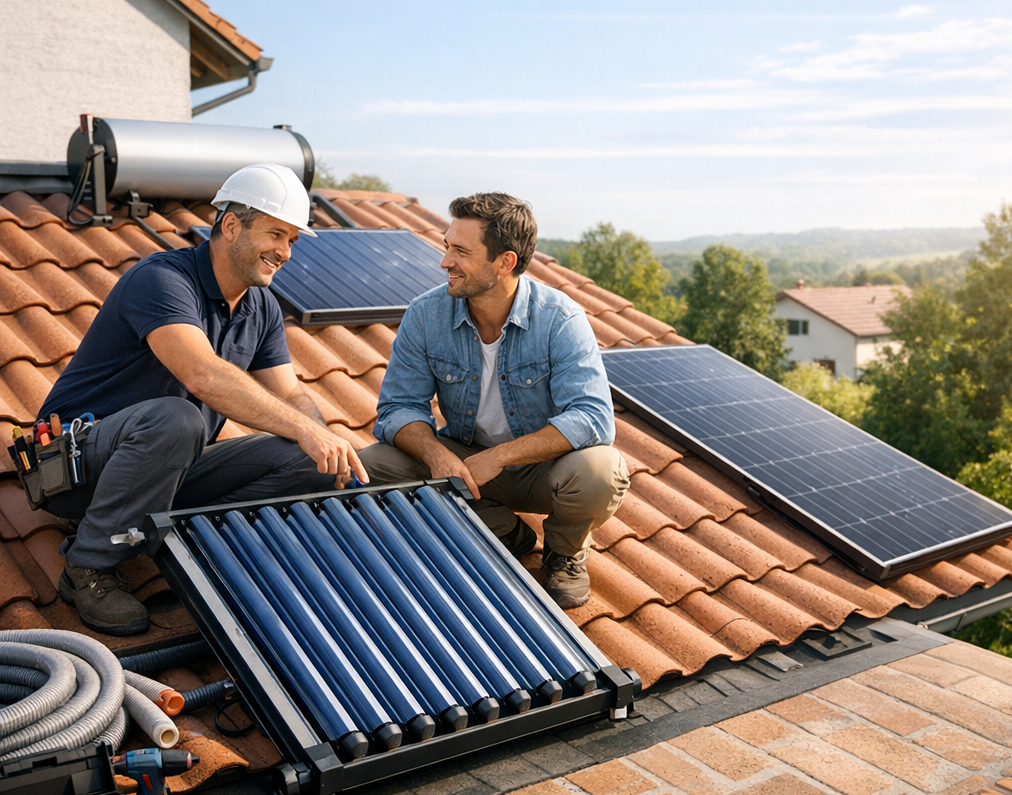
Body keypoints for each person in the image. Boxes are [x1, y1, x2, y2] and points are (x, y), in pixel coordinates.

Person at [38, 163, 366, 636]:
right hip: (76, 469)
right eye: (276, 234)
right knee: (179, 418)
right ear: (231, 226)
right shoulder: (161, 280)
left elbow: (290, 391)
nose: (285, 252)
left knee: (307, 457)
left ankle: (194, 543)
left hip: (167, 466)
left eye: (292, 240)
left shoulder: (261, 307)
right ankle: (88, 567)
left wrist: (325, 437)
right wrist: (305, 428)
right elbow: (201, 375)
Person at [360, 192, 629, 608]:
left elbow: (593, 418)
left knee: (600, 470)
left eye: (460, 251)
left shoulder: (560, 319)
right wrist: (435, 455)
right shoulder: (425, 314)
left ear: (504, 262)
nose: (445, 261)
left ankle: (564, 553)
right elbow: (398, 409)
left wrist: (501, 456)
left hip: (542, 471)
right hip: (466, 463)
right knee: (373, 465)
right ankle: (504, 529)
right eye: (447, 246)